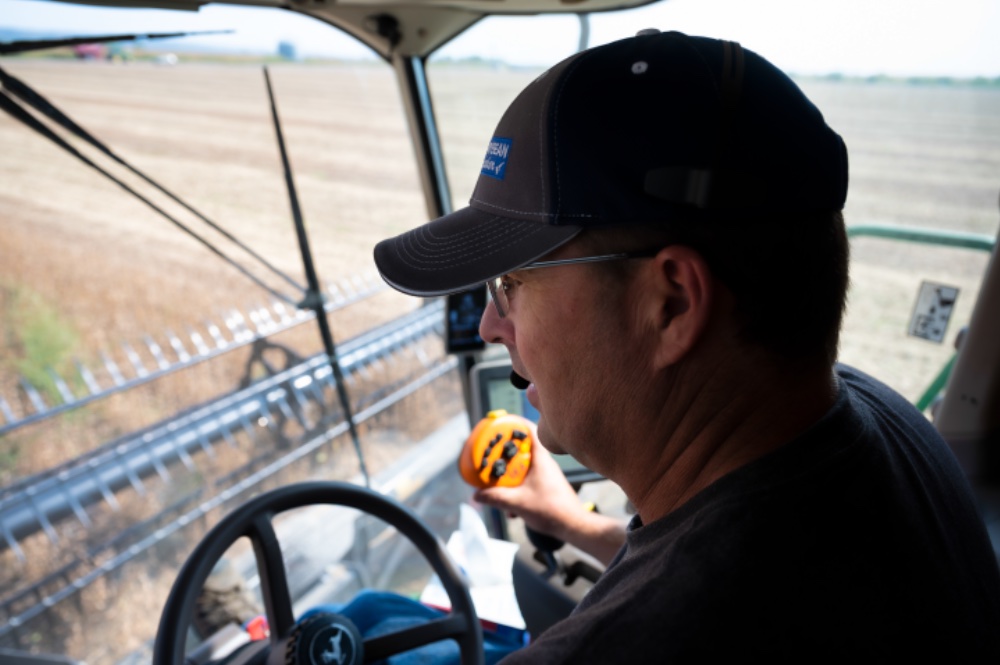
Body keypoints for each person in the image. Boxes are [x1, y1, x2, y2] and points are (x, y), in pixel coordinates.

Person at [374, 30, 1000, 661]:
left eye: (511, 284)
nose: (488, 325)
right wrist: (579, 526)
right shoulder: (876, 423)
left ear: (671, 302)